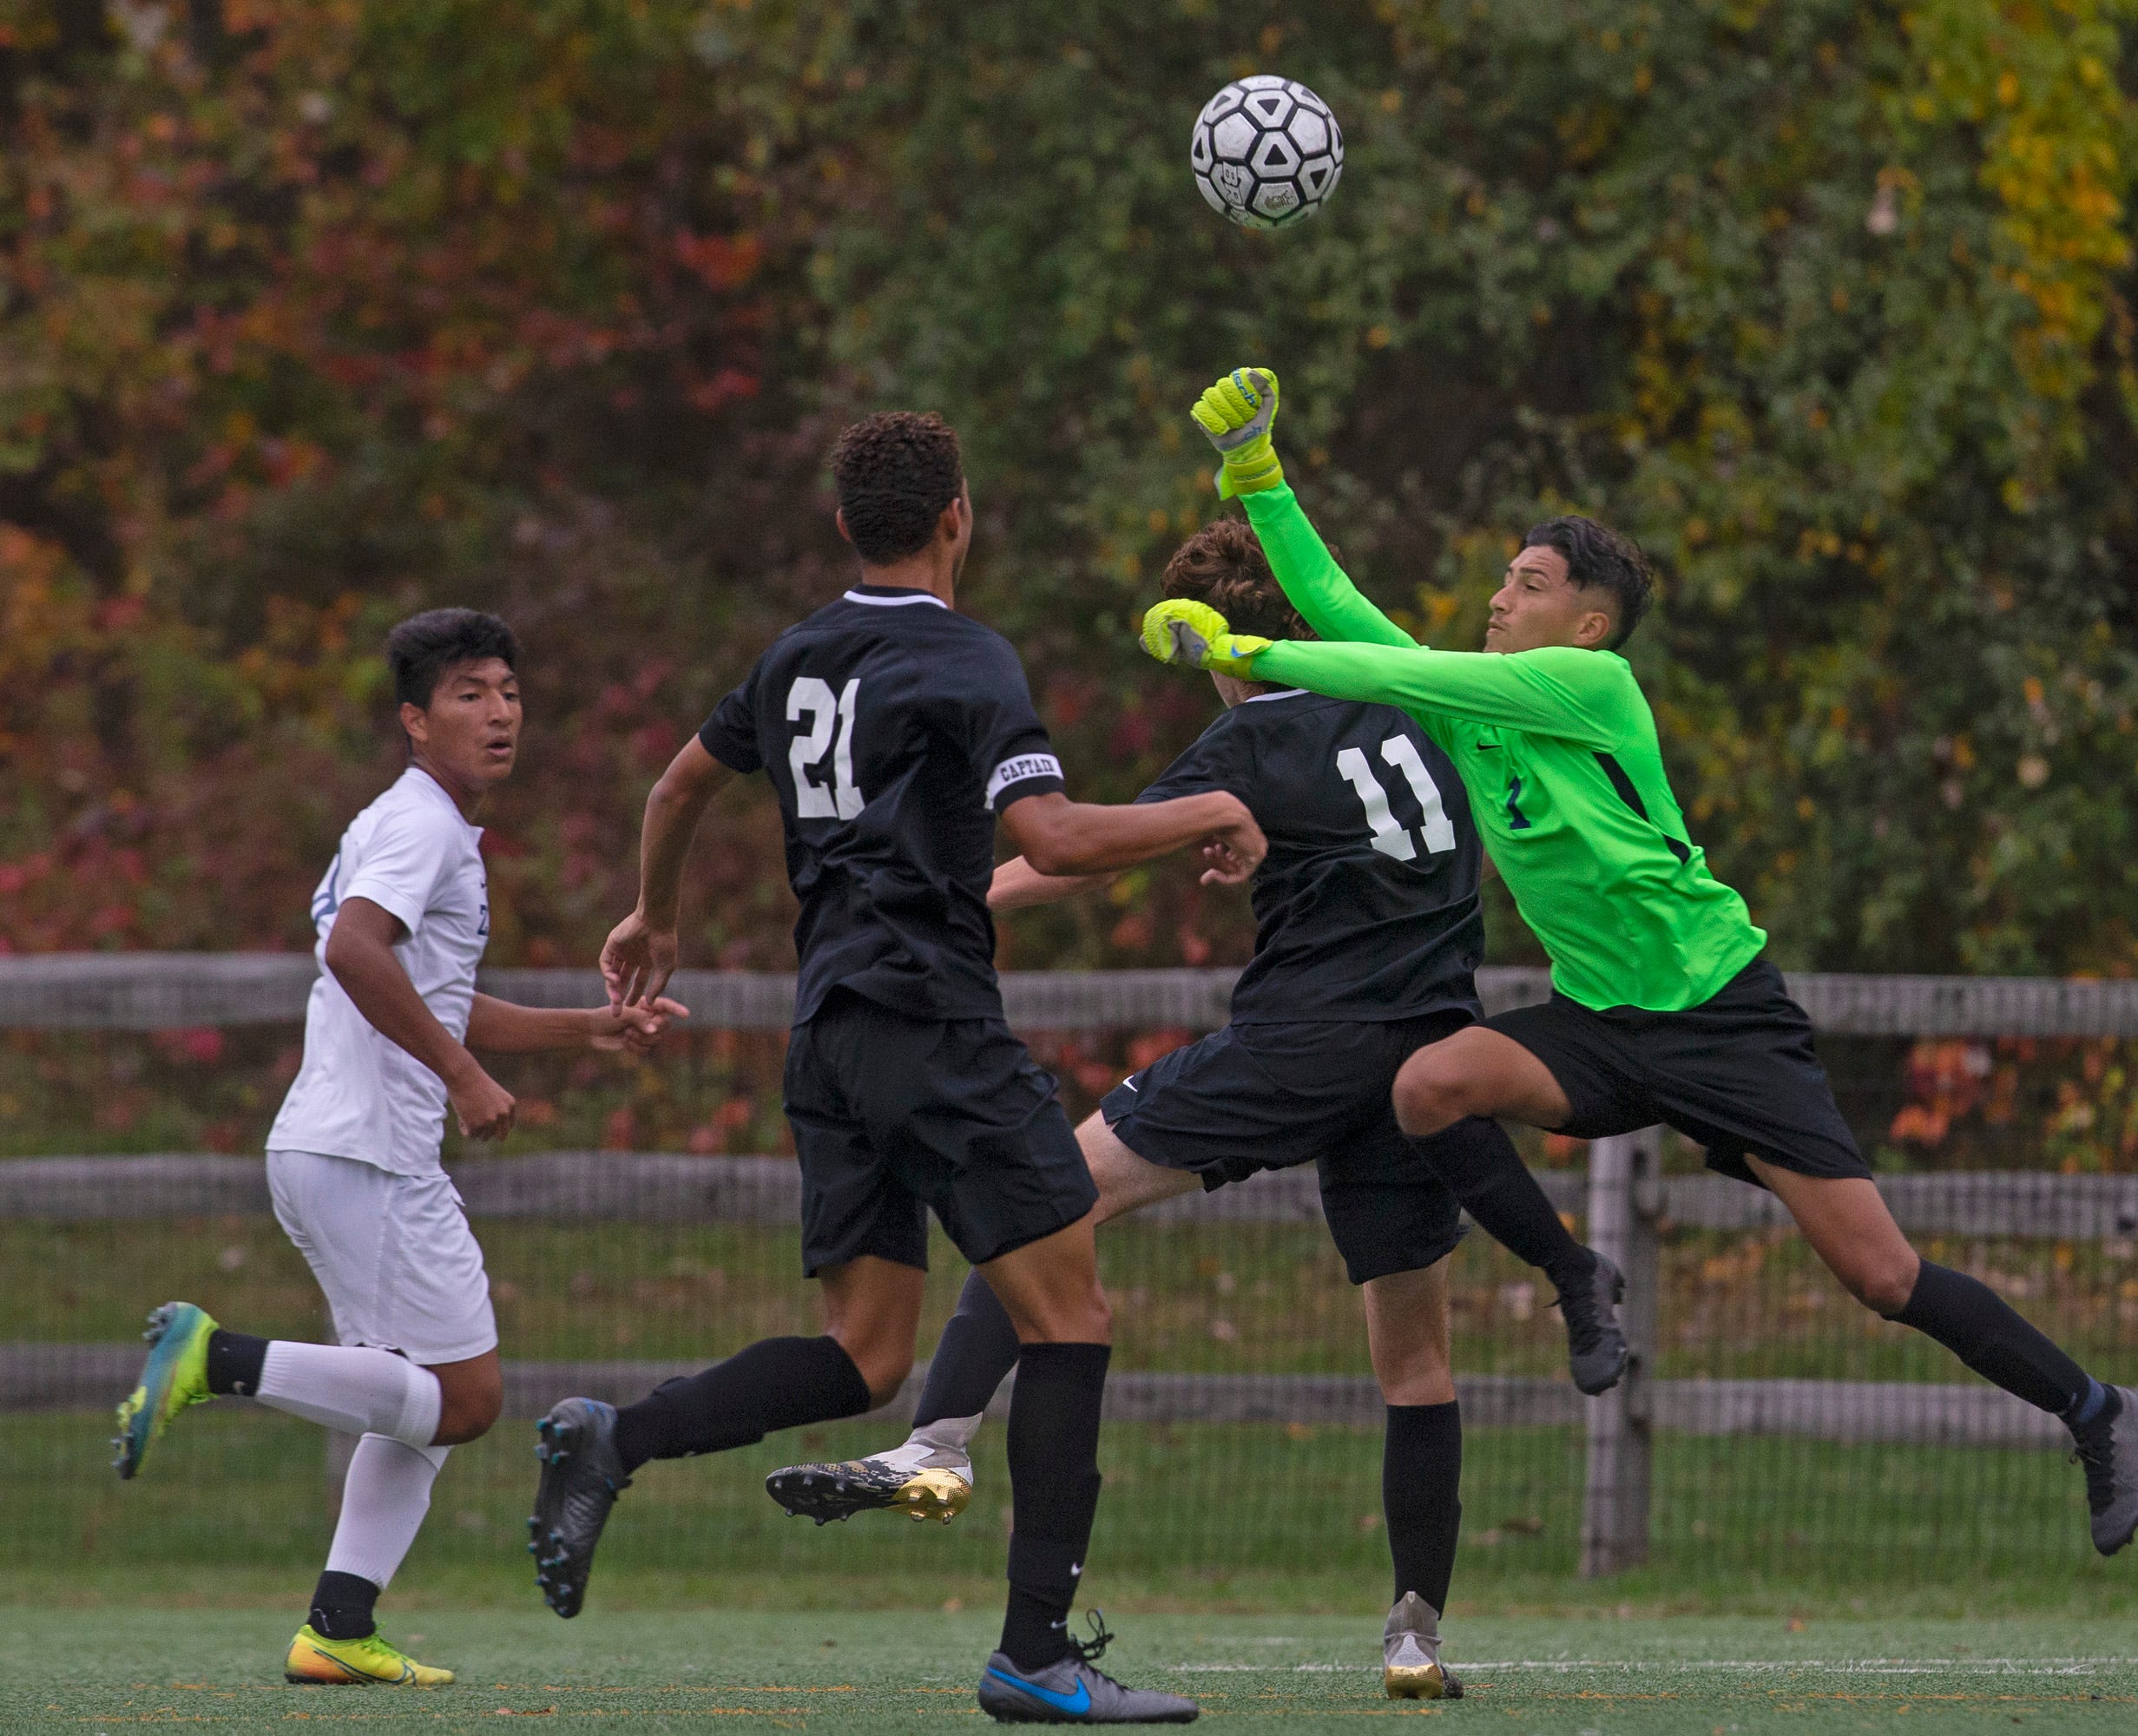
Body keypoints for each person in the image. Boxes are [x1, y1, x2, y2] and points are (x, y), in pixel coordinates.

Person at [1138, 368, 2138, 1559]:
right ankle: (1577, 1278)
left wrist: (1243, 645)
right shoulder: (1479, 712)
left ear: (1586, 622)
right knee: (1426, 1085)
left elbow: (1378, 667)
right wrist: (1256, 473)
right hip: (1602, 1022)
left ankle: (2092, 1409)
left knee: (1878, 1277)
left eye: (1525, 585)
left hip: (1720, 1015)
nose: (1496, 597)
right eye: (1501, 578)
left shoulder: (1588, 685)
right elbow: (1342, 605)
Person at [770, 517, 1594, 1701]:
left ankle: (934, 1439)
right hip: (1426, 1061)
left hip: (1297, 1048)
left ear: (1227, 646)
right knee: (1414, 1363)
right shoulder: (1426, 707)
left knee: (1047, 1203)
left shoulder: (1249, 731)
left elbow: (1082, 861)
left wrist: (943, 903)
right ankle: (1413, 1637)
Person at [530, 412, 1253, 1725]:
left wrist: (655, 914)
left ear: (844, 527)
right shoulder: (967, 656)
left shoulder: (794, 654)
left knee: (864, 1358)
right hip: (930, 1027)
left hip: (832, 1036)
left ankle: (613, 1437)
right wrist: (1207, 805)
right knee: (1069, 1319)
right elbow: (1054, 835)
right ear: (957, 517)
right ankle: (1035, 1657)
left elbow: (675, 791)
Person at [110, 608, 687, 1687]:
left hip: (341, 1150)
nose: (500, 710)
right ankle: (212, 1355)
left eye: (508, 688)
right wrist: (462, 1078)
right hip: (367, 1153)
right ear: (415, 720)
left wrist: (587, 1027)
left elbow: (433, 996)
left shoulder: (415, 824)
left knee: (412, 1403)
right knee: (462, 1399)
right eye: (469, 692)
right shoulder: (420, 827)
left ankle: (336, 1624)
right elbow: (355, 950)